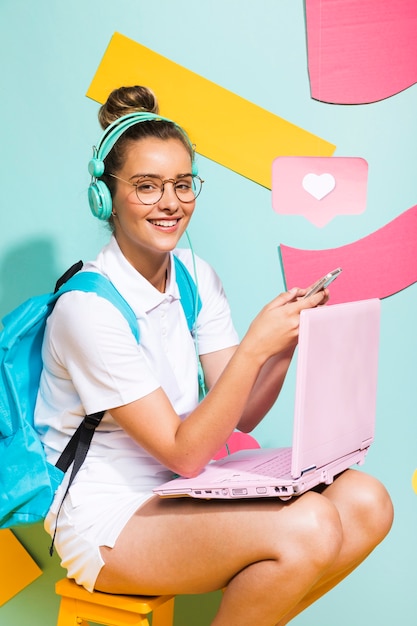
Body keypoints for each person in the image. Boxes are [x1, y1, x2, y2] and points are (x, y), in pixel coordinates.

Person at [35, 85, 393, 626]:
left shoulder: (195, 277)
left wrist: (284, 343)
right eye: (147, 186)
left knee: (368, 502)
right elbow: (183, 452)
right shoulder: (88, 309)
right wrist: (255, 345)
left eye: (182, 184)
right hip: (108, 518)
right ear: (105, 198)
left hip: (184, 490)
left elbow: (242, 413)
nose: (170, 202)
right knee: (310, 524)